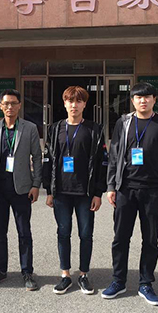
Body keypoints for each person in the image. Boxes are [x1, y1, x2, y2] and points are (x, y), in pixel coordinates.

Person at [101, 82, 158, 305]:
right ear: (132, 101)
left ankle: (146, 283)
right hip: (126, 189)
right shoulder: (123, 123)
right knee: (120, 238)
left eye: (147, 97)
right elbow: (114, 155)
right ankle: (118, 281)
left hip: (154, 190)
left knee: (150, 240)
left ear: (154, 99)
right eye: (138, 97)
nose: (143, 100)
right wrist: (111, 186)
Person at [43, 86, 107, 295]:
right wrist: (49, 190)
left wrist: (98, 193)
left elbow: (102, 163)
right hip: (61, 191)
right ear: (64, 103)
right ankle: (65, 275)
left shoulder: (94, 129)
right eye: (70, 101)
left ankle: (83, 275)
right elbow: (48, 159)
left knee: (86, 234)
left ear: (85, 104)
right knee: (63, 233)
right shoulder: (55, 129)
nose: (74, 105)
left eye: (79, 101)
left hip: (85, 193)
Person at [0, 89, 42, 291]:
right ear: (0, 106)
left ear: (19, 106)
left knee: (24, 232)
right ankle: (0, 270)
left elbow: (37, 157)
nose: (10, 107)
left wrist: (36, 185)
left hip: (22, 189)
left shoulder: (30, 128)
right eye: (6, 103)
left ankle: (27, 272)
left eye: (13, 103)